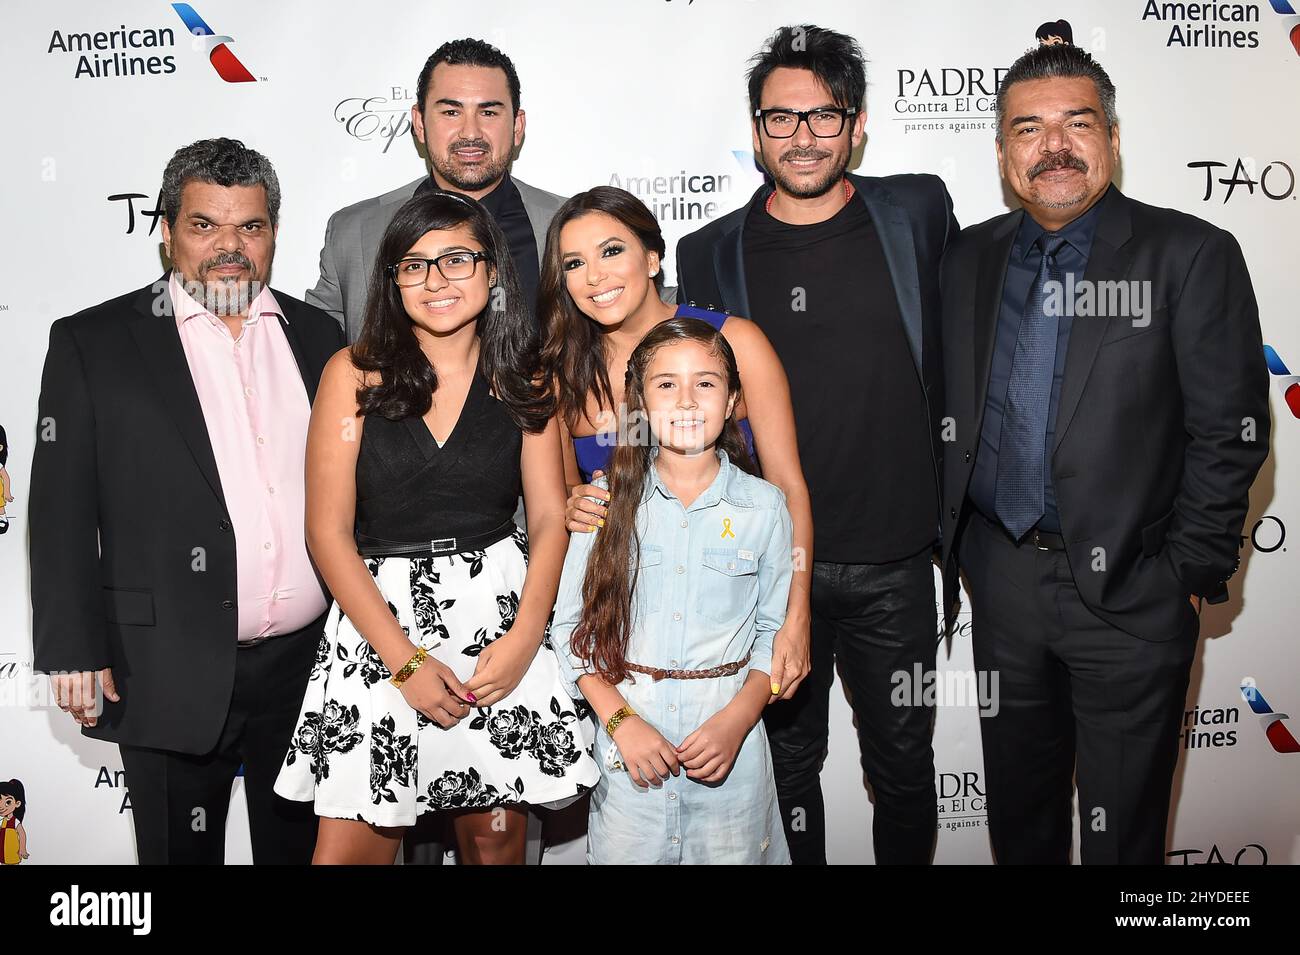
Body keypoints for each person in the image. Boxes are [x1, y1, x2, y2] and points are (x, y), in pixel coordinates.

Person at [939, 42, 1270, 864]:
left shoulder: (1189, 255)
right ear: (1003, 151)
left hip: (1134, 592)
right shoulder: (969, 258)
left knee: (1124, 835)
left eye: (1076, 123)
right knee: (1021, 821)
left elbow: (1230, 431)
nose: (1054, 146)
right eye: (1028, 128)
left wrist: (1185, 575)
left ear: (1112, 139)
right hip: (1004, 582)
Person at [675, 24, 959, 864]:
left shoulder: (917, 211)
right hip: (767, 565)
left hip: (896, 561)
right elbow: (685, 397)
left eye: (824, 116)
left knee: (905, 769)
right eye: (781, 118)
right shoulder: (708, 253)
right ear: (757, 130)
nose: (802, 138)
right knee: (790, 769)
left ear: (857, 124)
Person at [30, 138, 343, 864]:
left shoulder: (320, 336)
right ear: (167, 231)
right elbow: (59, 512)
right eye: (205, 225)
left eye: (251, 227)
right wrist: (74, 651)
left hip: (308, 666)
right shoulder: (95, 342)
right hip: (163, 662)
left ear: (273, 233)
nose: (229, 248)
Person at [274, 191, 599, 864]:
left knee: (494, 849)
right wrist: (407, 661)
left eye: (456, 259)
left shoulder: (527, 374)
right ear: (391, 281)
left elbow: (547, 515)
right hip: (379, 630)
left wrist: (524, 636)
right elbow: (327, 533)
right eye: (414, 265)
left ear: (491, 271)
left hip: (497, 627)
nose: (436, 280)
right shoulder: (352, 374)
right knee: (347, 852)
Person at [539, 185, 813, 706]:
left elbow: (788, 486)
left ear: (652, 258)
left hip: (738, 614)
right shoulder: (561, 372)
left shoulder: (734, 342)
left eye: (612, 251)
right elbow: (565, 508)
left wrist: (797, 611)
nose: (595, 276)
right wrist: (576, 505)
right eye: (574, 263)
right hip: (629, 633)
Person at [551, 317, 793, 864]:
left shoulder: (764, 507)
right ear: (639, 402)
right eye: (666, 385)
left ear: (733, 398)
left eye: (706, 383)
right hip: (629, 758)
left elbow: (775, 634)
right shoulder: (604, 504)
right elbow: (569, 630)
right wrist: (621, 724)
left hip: (732, 754)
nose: (686, 400)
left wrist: (736, 722)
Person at [309, 38, 564, 341]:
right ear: (418, 122)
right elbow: (314, 350)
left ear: (517, 126)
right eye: (451, 112)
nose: (470, 132)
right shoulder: (354, 231)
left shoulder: (567, 224)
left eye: (488, 113)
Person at [0, 780, 27, 864]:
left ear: (17, 803)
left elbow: (22, 834)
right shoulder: (2, 821)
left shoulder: (15, 821)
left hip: (13, 853)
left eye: (8, 802)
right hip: (2, 854)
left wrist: (22, 849)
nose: (1, 806)